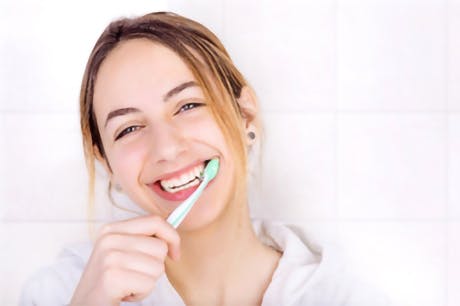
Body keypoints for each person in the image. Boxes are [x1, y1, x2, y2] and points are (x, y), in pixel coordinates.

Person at [21, 12, 392, 306]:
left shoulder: (343, 298)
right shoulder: (58, 293)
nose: (166, 148)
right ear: (108, 164)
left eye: (188, 105)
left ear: (245, 115)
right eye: (129, 129)